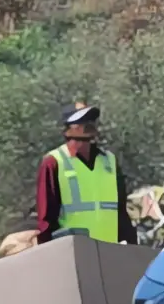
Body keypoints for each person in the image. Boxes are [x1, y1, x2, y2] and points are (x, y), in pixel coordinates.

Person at [36, 102, 135, 245]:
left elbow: (121, 211)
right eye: (81, 121)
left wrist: (131, 246)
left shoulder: (110, 161)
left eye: (91, 120)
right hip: (74, 252)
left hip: (109, 250)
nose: (89, 124)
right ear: (67, 129)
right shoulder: (53, 162)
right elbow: (46, 220)